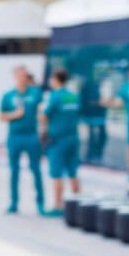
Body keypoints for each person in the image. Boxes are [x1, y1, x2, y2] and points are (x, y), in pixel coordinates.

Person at [0, 65, 47, 215]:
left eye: (25, 75)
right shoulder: (8, 96)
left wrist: (44, 129)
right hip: (15, 137)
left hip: (31, 135)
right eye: (20, 75)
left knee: (36, 170)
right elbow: (1, 116)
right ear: (15, 77)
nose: (23, 78)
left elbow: (42, 112)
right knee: (14, 171)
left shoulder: (35, 93)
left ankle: (40, 203)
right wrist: (15, 114)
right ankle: (14, 203)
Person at [39, 68, 81, 211]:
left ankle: (58, 205)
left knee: (57, 174)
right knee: (73, 173)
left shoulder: (54, 96)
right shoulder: (73, 96)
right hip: (73, 138)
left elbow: (44, 115)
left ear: (56, 80)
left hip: (58, 140)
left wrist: (43, 132)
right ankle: (78, 204)